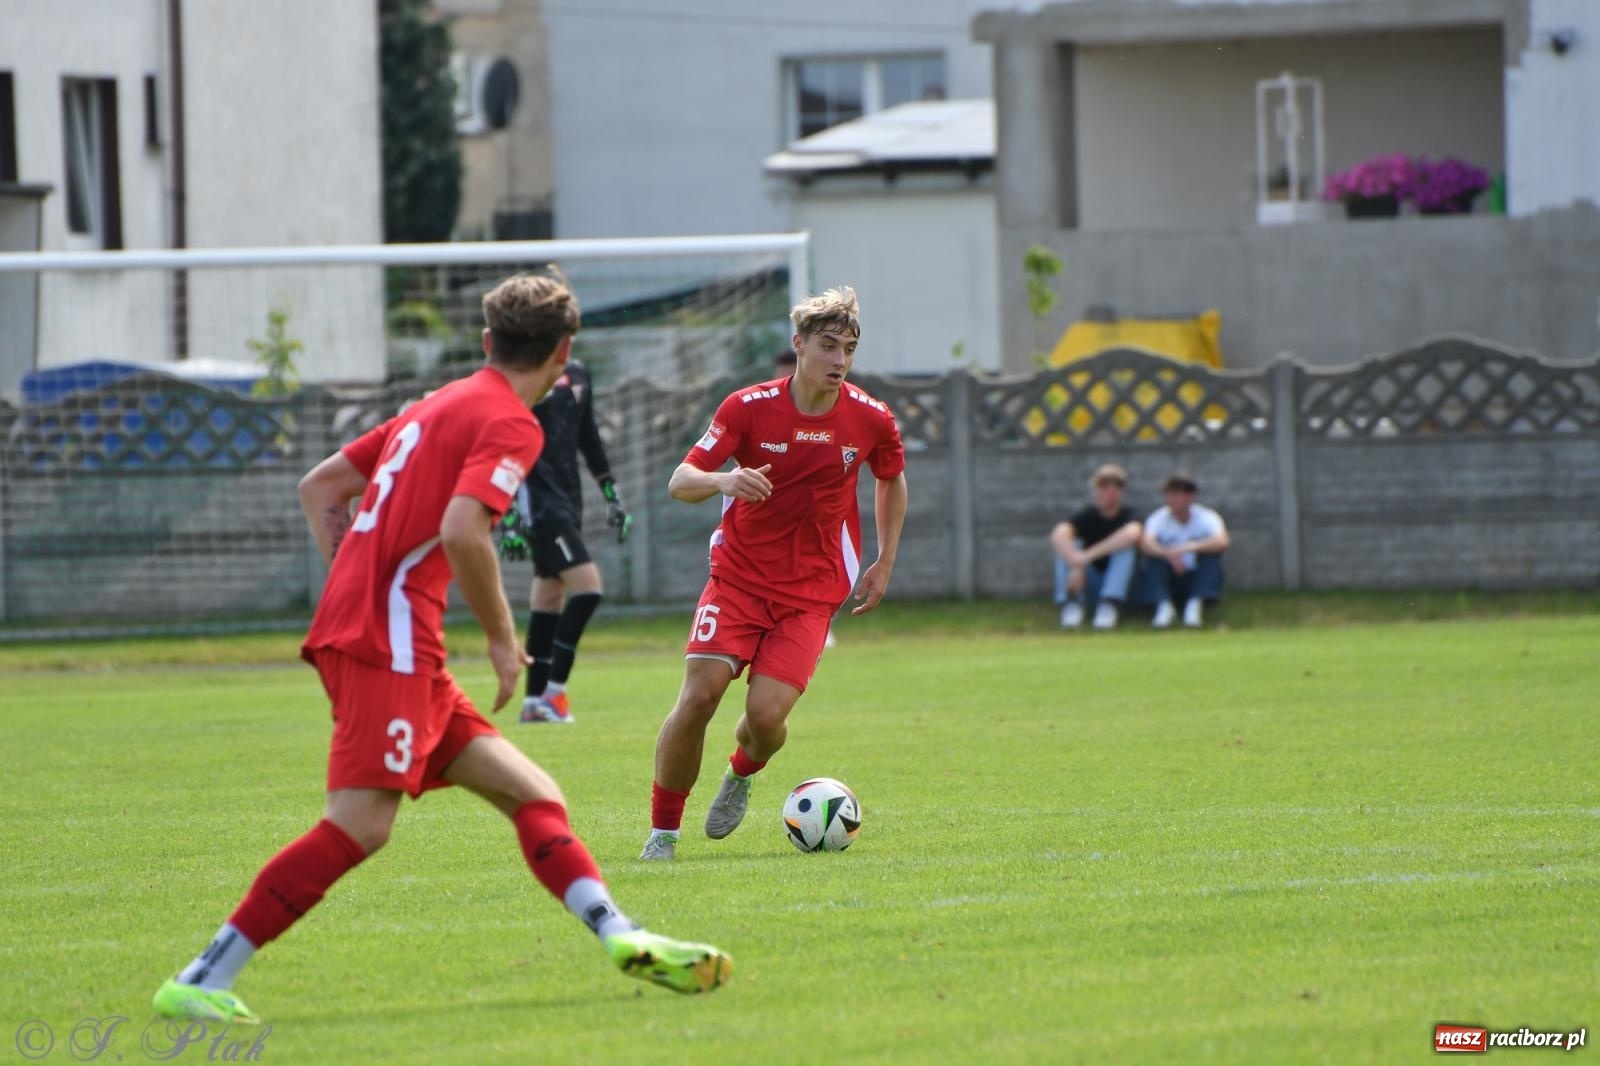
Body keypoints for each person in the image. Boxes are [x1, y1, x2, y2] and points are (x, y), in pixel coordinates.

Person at [151, 273, 730, 1026]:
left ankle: (625, 937)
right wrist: (500, 639)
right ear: (564, 353)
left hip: (391, 639)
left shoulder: (431, 404)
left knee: (534, 794)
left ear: (488, 342)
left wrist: (362, 582)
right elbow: (463, 530)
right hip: (386, 643)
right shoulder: (513, 423)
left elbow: (321, 488)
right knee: (362, 823)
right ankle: (201, 976)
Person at [639, 286, 907, 861]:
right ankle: (663, 834)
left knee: (764, 719)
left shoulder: (871, 418)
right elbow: (680, 481)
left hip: (810, 594)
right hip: (736, 580)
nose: (839, 360)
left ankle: (741, 771)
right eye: (828, 346)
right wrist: (724, 480)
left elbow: (891, 477)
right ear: (800, 345)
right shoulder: (747, 407)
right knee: (699, 697)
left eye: (849, 349)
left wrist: (885, 559)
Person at [498, 355, 631, 725]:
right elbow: (504, 441)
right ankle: (554, 692)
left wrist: (611, 493)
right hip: (538, 506)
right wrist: (509, 515)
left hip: (568, 500)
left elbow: (587, 437)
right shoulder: (523, 370)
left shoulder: (578, 372)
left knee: (549, 597)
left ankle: (533, 701)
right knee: (588, 590)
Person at [1048, 463, 1143, 631]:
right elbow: (1059, 534)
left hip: (1125, 589)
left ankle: (1109, 604)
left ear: (1120, 491)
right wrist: (1076, 562)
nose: (1102, 492)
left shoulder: (1129, 515)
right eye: (1100, 487)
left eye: (1108, 487)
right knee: (1069, 545)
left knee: (1125, 549)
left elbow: (1132, 534)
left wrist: (1085, 557)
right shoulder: (1088, 515)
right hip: (1087, 583)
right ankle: (1072, 603)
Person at [1140, 471, 1229, 628]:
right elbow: (1146, 544)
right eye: (1169, 495)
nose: (1170, 500)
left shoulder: (1206, 517)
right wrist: (1168, 553)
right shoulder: (1159, 518)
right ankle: (1163, 607)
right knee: (1155, 561)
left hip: (1195, 577)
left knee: (1211, 558)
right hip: (1170, 578)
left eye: (1175, 495)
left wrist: (1187, 548)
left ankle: (1195, 607)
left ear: (1189, 496)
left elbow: (1221, 541)